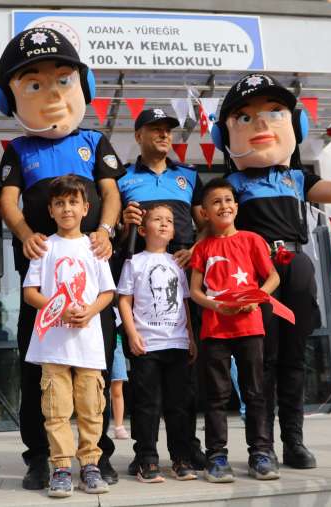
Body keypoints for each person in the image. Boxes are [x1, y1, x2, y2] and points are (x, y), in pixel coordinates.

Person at [212, 73, 331, 469]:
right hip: (253, 273)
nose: (261, 124)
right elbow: (210, 221)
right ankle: (261, 447)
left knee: (293, 359)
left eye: (273, 112)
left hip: (295, 266)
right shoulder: (230, 183)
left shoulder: (296, 176)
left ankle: (294, 442)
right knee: (258, 360)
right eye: (246, 117)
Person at [0, 27, 124, 488]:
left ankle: (97, 457)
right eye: (34, 83)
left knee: (95, 369)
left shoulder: (95, 141)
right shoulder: (17, 149)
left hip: (91, 285)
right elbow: (8, 200)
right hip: (42, 286)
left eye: (62, 79)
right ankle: (41, 457)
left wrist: (107, 230)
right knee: (39, 372)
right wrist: (27, 232)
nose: (50, 93)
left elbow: (110, 191)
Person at [116, 108, 207, 472]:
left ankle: (187, 449)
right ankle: (146, 455)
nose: (164, 135)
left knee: (184, 384)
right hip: (140, 290)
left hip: (185, 284)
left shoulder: (188, 176)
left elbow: (206, 225)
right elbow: (120, 235)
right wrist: (123, 224)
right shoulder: (122, 178)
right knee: (146, 389)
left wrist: (197, 249)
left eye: (168, 129)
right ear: (138, 135)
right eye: (155, 129)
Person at [22, 175, 116, 498]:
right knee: (56, 407)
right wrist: (56, 309)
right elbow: (29, 293)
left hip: (88, 344)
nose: (66, 209)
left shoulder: (94, 246)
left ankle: (90, 463)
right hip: (53, 345)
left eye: (73, 202)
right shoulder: (44, 246)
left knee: (91, 406)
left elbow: (107, 292)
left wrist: (90, 311)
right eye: (59, 203)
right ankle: (60, 467)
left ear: (86, 207)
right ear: (50, 209)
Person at [189, 178, 281, 482]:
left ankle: (261, 453)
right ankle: (216, 456)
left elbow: (272, 277)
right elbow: (196, 290)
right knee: (216, 395)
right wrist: (216, 307)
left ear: (236, 206)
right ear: (204, 212)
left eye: (228, 200)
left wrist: (257, 299)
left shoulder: (253, 240)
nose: (223, 206)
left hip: (250, 327)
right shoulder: (202, 247)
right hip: (215, 329)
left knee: (255, 392)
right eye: (215, 202)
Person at [118, 204, 198, 483]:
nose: (164, 224)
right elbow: (124, 301)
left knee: (178, 404)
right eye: (157, 220)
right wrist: (131, 334)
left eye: (169, 221)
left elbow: (185, 302)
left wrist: (190, 336)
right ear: (142, 229)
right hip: (147, 345)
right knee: (147, 405)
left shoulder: (178, 262)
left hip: (176, 343)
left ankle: (180, 458)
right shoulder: (134, 262)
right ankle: (147, 459)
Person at [110, 335, 130, 439]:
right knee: (97, 388)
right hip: (97, 342)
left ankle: (119, 426)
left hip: (117, 342)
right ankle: (97, 426)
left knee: (117, 388)